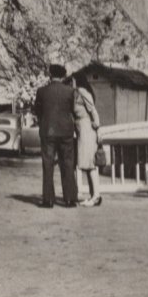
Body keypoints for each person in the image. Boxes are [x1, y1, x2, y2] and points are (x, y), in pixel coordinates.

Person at [34, 64, 78, 208]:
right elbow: (73, 110)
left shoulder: (41, 91)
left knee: (48, 165)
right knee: (68, 164)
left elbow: (37, 111)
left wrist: (44, 121)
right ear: (63, 75)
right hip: (66, 132)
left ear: (50, 75)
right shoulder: (70, 91)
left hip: (48, 132)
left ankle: (48, 200)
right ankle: (70, 199)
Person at [73, 74, 102, 207]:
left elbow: (93, 110)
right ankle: (93, 195)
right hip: (82, 130)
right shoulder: (78, 93)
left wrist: (97, 125)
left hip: (86, 130)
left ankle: (96, 196)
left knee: (89, 164)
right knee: (86, 163)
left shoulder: (82, 92)